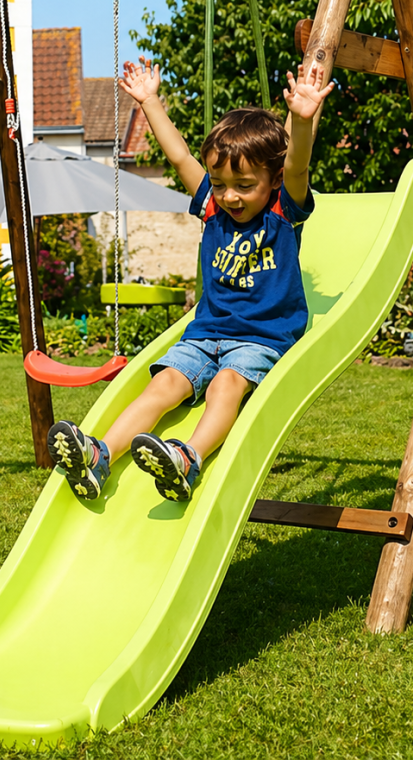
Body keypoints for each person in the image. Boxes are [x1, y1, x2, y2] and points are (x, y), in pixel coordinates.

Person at [47, 55, 335, 502]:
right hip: (204, 335)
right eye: (219, 183)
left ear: (273, 180)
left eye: (244, 185)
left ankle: (188, 459)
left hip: (260, 339)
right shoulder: (213, 209)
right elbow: (179, 154)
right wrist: (149, 102)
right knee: (162, 385)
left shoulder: (282, 212)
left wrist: (301, 119)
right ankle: (100, 455)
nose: (229, 196)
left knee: (225, 385)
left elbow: (297, 166)